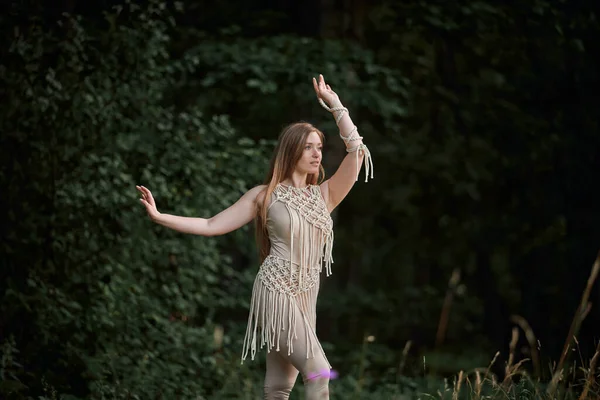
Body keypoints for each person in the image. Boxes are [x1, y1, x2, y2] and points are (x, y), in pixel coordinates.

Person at [136, 74, 374, 400]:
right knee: (319, 371)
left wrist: (336, 107)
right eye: (308, 147)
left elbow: (357, 153)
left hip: (307, 295)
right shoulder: (265, 195)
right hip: (276, 289)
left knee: (278, 387)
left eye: (319, 148)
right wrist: (160, 216)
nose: (317, 154)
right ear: (291, 151)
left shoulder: (325, 195)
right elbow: (210, 224)